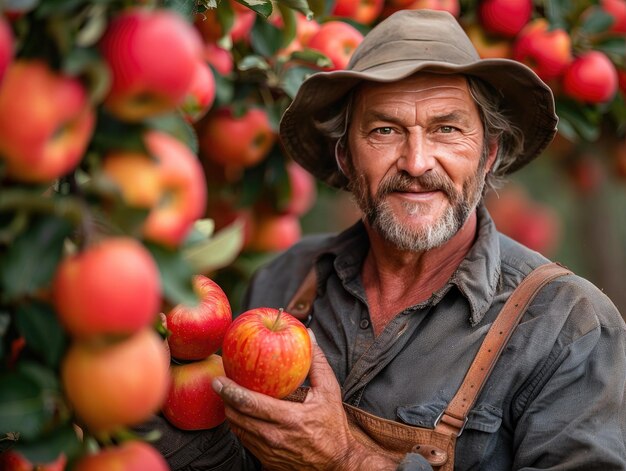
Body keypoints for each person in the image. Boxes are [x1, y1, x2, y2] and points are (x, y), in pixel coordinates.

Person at [139, 9, 626, 470]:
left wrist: (344, 459)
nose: (416, 163)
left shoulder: (568, 327)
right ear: (347, 157)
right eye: (385, 130)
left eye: (447, 129)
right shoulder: (285, 280)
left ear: (488, 154)